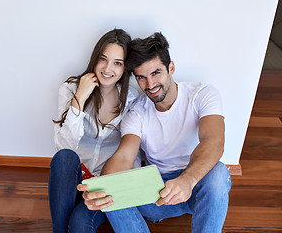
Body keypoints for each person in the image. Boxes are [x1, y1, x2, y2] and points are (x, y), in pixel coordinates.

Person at [78, 32, 231, 233]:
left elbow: (214, 141)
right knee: (111, 191)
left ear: (171, 68)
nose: (150, 85)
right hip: (157, 195)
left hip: (195, 184)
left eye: (156, 73)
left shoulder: (202, 95)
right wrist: (102, 188)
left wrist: (187, 180)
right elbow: (124, 155)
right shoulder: (137, 111)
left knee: (219, 173)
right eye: (141, 77)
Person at [49, 29, 139, 233]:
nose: (108, 69)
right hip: (73, 178)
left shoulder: (132, 101)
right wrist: (80, 98)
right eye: (103, 59)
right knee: (64, 157)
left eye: (117, 63)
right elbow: (64, 147)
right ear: (95, 58)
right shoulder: (71, 89)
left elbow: (132, 151)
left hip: (104, 183)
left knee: (79, 223)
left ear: (125, 68)